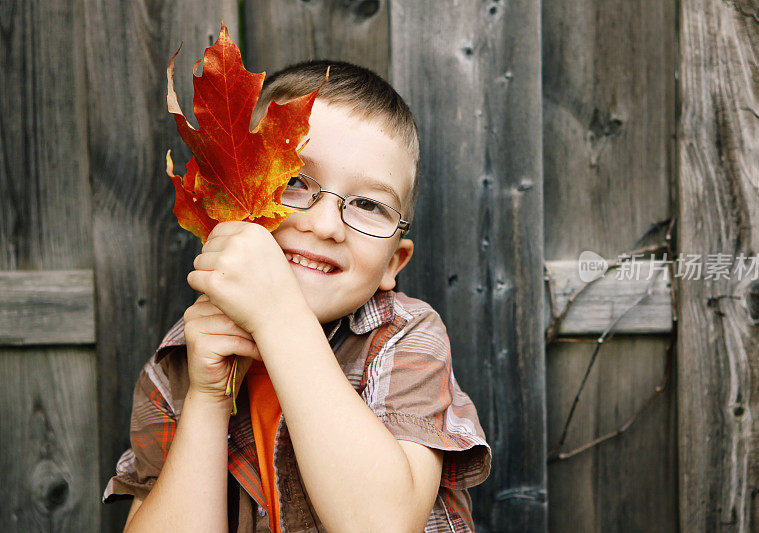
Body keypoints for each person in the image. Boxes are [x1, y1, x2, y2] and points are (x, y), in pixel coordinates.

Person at [103, 60, 492, 532]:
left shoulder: (405, 338)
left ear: (393, 263)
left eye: (368, 204)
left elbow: (382, 524)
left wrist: (280, 319)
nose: (324, 225)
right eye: (292, 180)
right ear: (230, 196)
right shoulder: (179, 366)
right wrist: (207, 401)